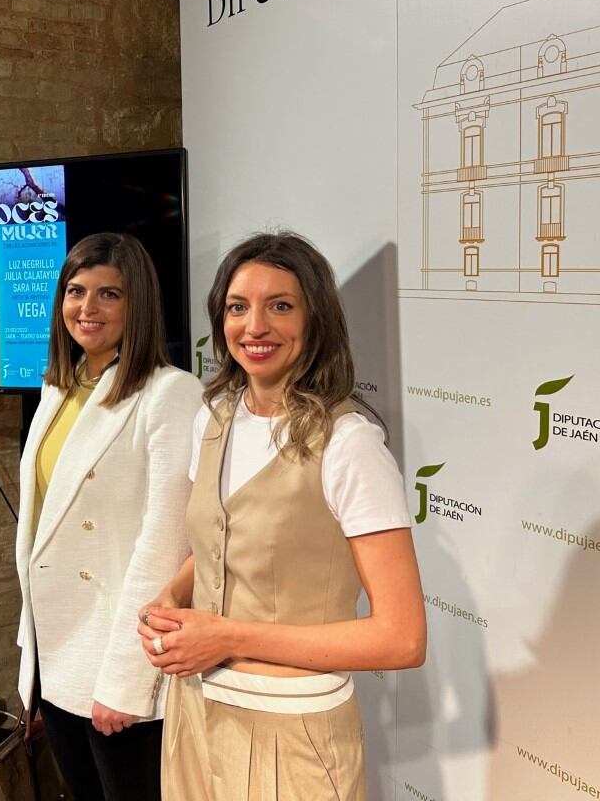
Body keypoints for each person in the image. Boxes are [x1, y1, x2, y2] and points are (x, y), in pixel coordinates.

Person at [138, 231, 425, 801]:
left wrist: (226, 637)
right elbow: (219, 545)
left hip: (291, 735)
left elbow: (401, 639)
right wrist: (171, 596)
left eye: (280, 306)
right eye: (238, 307)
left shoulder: (349, 444)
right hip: (194, 711)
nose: (255, 327)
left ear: (315, 319)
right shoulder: (213, 417)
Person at [15, 233, 202, 801]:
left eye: (108, 294)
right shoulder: (59, 388)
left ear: (138, 304)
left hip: (117, 651)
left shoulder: (170, 392)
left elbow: (163, 544)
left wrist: (128, 676)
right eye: (75, 291)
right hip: (59, 645)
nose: (87, 309)